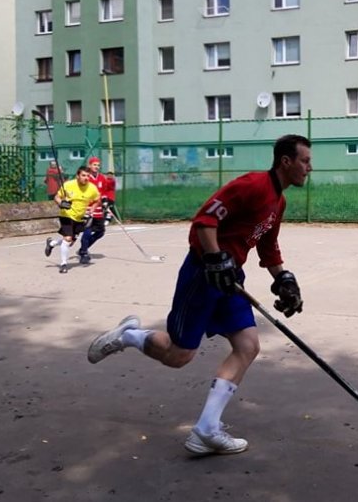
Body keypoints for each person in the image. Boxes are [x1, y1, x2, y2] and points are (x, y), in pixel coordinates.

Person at [86, 134, 312, 456]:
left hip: (231, 279)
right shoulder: (252, 186)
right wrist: (214, 258)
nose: (309, 168)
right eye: (305, 161)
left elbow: (267, 245)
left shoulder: (279, 201)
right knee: (179, 355)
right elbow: (206, 220)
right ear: (286, 161)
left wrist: (285, 280)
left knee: (248, 346)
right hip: (204, 274)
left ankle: (206, 430)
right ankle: (129, 335)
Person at [44, 166, 100, 274]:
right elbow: (57, 197)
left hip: (80, 217)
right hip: (67, 215)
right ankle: (63, 264)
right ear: (77, 176)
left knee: (70, 242)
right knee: (68, 238)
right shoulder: (68, 185)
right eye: (83, 175)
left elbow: (97, 200)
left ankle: (52, 243)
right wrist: (61, 203)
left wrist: (92, 209)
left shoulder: (92, 188)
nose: (86, 178)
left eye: (88, 176)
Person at [77, 157, 116, 265]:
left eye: (98, 165)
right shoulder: (86, 177)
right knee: (87, 230)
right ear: (90, 165)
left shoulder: (102, 178)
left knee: (100, 231)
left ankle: (83, 248)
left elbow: (103, 191)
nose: (96, 167)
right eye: (94, 165)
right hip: (88, 208)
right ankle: (84, 253)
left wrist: (105, 201)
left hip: (99, 208)